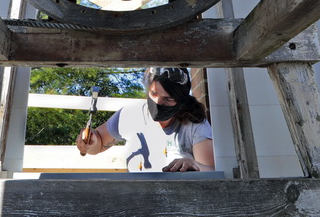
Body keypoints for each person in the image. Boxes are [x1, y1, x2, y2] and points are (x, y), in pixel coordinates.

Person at [75, 67, 215, 172]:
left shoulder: (195, 124)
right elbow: (98, 145)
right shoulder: (130, 115)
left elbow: (210, 172)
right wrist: (89, 143)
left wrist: (193, 165)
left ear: (181, 100)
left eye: (168, 99)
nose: (158, 103)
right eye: (154, 93)